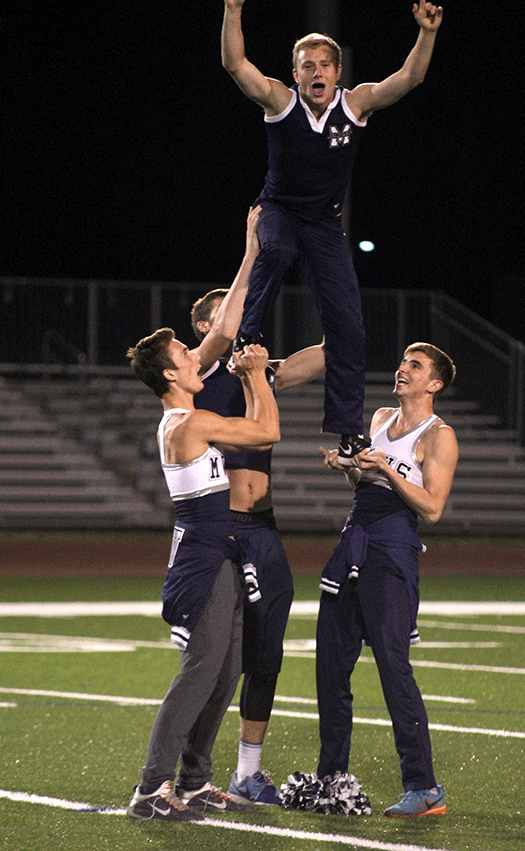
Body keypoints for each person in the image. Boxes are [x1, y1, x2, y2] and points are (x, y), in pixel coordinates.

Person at [221, 0, 443, 464]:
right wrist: (233, 10)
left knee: (348, 328)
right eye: (307, 65)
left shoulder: (355, 104)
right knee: (274, 247)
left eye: (325, 64)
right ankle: (248, 341)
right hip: (278, 209)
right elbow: (236, 65)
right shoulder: (280, 101)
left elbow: (410, 78)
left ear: (337, 72)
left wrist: (426, 34)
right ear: (295, 71)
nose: (317, 72)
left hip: (324, 224)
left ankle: (348, 432)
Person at [287, 343, 458, 817]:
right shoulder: (381, 416)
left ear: (435, 384)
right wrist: (349, 467)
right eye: (403, 361)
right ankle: (330, 779)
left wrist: (384, 467)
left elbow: (433, 507)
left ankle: (424, 788)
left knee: (392, 669)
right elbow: (365, 484)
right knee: (330, 669)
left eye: (415, 366)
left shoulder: (439, 435)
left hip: (393, 552)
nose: (403, 369)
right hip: (352, 543)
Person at [190, 213, 326, 805]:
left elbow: (324, 354)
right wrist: (251, 248)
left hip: (264, 530)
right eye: (231, 314)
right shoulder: (195, 374)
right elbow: (226, 329)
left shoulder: (256, 374)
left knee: (267, 651)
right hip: (224, 531)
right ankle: (188, 767)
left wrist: (331, 268)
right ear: (205, 324)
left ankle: (248, 771)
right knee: (218, 659)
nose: (245, 322)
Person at [125, 330, 280, 822]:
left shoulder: (187, 419)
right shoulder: (188, 422)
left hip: (219, 551)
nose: (196, 359)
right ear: (170, 374)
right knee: (199, 671)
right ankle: (151, 789)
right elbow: (267, 432)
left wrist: (254, 378)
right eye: (185, 356)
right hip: (202, 557)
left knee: (228, 666)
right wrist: (256, 377)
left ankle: (194, 781)